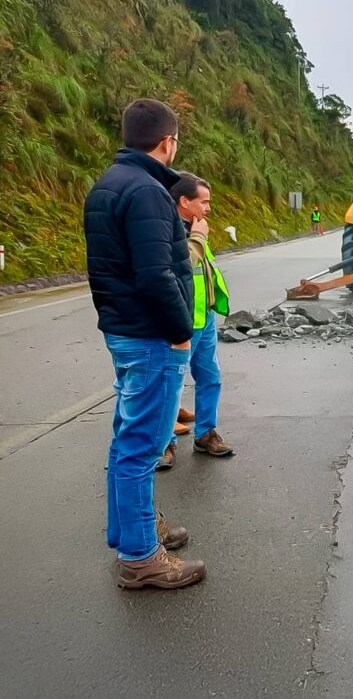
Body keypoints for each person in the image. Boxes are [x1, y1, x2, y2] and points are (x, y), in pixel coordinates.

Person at [83, 98, 206, 589]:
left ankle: (130, 529)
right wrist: (180, 333)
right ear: (168, 141)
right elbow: (156, 274)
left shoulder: (106, 186)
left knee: (126, 439)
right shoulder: (149, 191)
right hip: (152, 335)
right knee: (143, 446)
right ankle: (140, 557)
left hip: (122, 329)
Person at [158, 174, 234, 470]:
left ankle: (206, 434)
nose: (208, 208)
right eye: (204, 202)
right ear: (184, 201)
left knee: (210, 377)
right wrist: (198, 237)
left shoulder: (197, 229)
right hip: (181, 321)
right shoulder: (169, 231)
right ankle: (165, 443)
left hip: (205, 319)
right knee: (171, 384)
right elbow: (179, 268)